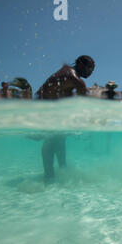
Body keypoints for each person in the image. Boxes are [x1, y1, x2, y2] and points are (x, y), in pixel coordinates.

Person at [36, 55, 95, 183]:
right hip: (48, 113)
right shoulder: (75, 79)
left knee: (59, 139)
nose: (90, 72)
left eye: (92, 70)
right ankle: (49, 177)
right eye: (89, 68)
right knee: (51, 143)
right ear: (79, 64)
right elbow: (84, 104)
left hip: (47, 109)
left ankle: (61, 172)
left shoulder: (66, 70)